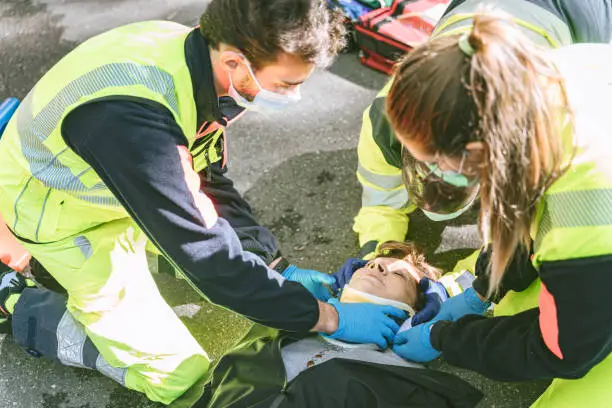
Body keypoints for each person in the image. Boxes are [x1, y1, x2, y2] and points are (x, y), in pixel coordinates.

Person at [0, 0, 408, 404]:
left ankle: (122, 264)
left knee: (232, 273)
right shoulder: (134, 121)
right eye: (285, 84)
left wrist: (274, 266)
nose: (293, 96)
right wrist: (329, 318)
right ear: (235, 61)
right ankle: (17, 297)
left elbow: (204, 176)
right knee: (178, 373)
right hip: (59, 214)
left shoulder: (199, 62)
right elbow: (208, 258)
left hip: (119, 191)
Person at [385, 11, 612, 407]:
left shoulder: (582, 206)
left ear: (479, 151)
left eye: (438, 164)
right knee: (516, 306)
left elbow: (566, 351)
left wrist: (447, 340)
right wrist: (484, 288)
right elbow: (526, 209)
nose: (434, 175)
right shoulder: (538, 77)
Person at [0, 242, 483, 408]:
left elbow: (487, 280)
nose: (380, 268)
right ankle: (17, 298)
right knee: (132, 347)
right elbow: (212, 255)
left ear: (419, 308)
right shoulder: (295, 306)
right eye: (375, 263)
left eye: (399, 274)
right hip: (217, 393)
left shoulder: (415, 372)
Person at [352, 0, 612, 296]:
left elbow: (525, 246)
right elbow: (380, 202)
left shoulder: (548, 141)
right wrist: (378, 251)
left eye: (448, 169)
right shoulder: (390, 114)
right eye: (421, 157)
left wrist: (457, 288)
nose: (429, 174)